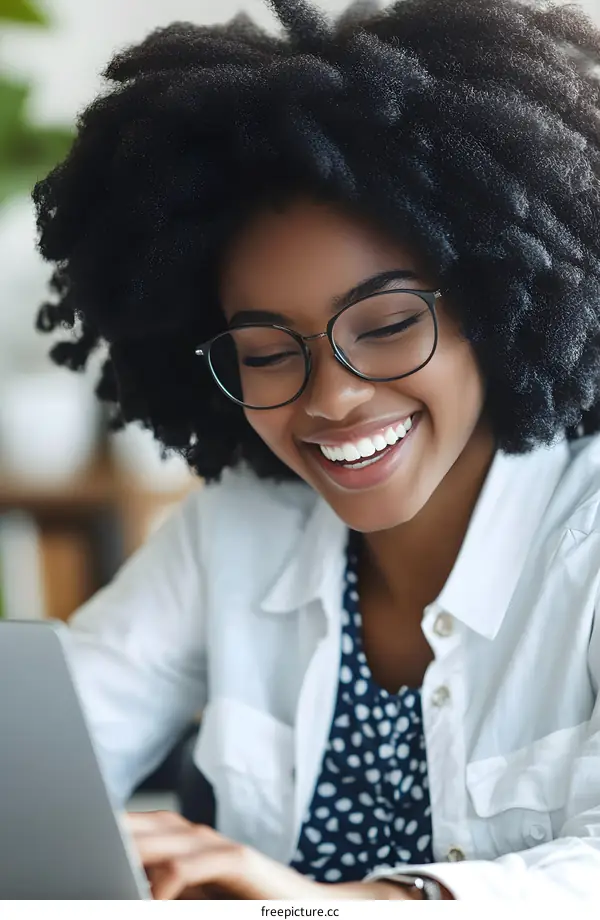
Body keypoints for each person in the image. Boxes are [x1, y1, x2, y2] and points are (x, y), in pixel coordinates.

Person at [32, 0, 600, 901]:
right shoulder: (230, 536)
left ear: (499, 306)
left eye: (385, 326)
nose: (330, 396)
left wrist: (346, 904)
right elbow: (38, 764)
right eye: (264, 352)